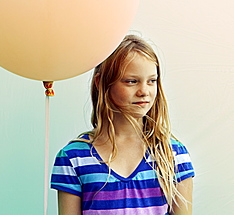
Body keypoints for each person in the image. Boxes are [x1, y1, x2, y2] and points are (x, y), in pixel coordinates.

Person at [51, 34, 194, 215]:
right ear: (101, 83)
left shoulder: (174, 155)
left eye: (152, 81)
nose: (144, 91)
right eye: (131, 81)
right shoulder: (72, 158)